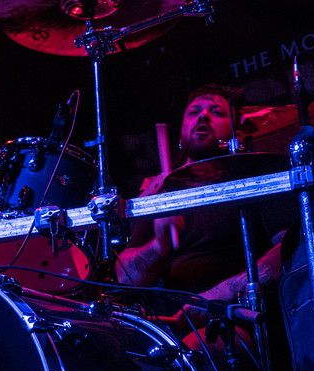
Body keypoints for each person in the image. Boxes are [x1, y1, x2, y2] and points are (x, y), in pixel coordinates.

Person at [117, 85, 293, 337]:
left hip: (241, 320)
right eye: (194, 112)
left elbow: (290, 250)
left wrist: (223, 293)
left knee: (200, 345)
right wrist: (159, 246)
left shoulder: (256, 177)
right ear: (181, 133)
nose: (203, 116)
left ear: (237, 132)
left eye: (217, 112)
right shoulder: (163, 189)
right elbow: (126, 280)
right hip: (170, 329)